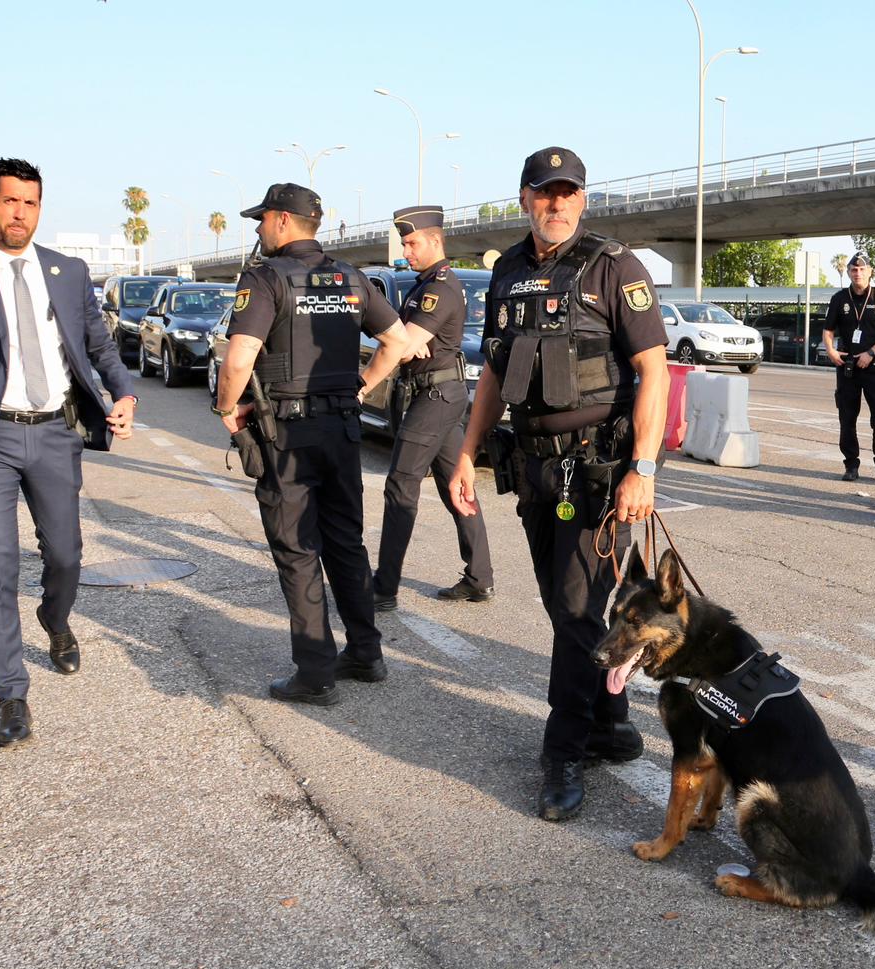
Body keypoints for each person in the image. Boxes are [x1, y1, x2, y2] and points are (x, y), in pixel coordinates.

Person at [449, 146, 669, 822]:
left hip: (599, 473)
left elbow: (654, 371)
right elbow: (493, 372)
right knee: (564, 607)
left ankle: (563, 752)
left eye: (569, 192)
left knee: (576, 612)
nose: (557, 204)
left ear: (583, 199)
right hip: (535, 468)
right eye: (546, 192)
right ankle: (611, 723)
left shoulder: (614, 266)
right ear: (524, 198)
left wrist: (643, 469)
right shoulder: (508, 270)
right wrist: (466, 453)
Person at [0, 157, 138, 747]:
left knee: (66, 555)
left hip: (56, 432)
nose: (20, 213)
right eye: (10, 201)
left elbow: (99, 345)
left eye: (30, 203)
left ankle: (55, 619)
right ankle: (11, 693)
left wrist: (124, 392)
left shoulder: (68, 271)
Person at [212, 182, 412, 703]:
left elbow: (239, 359)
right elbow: (398, 341)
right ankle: (365, 653)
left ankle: (316, 673)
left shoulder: (265, 278)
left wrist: (227, 410)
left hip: (289, 436)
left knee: (298, 549)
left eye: (261, 219)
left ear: (282, 220)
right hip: (342, 429)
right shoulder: (350, 277)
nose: (258, 229)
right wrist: (360, 387)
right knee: (346, 542)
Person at [371, 205, 494, 610]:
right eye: (404, 244)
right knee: (455, 485)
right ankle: (479, 578)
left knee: (400, 485)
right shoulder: (423, 285)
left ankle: (384, 588)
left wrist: (405, 345)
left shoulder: (439, 288)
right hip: (439, 394)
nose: (406, 251)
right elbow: (401, 340)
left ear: (435, 240)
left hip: (435, 396)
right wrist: (405, 342)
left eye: (412, 243)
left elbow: (402, 345)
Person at [821, 254, 875, 482]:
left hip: (874, 366)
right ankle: (851, 464)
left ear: (870, 271)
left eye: (862, 269)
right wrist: (831, 351)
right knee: (847, 418)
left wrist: (871, 353)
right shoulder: (839, 298)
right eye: (854, 270)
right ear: (848, 272)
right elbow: (828, 330)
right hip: (848, 367)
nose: (858, 273)